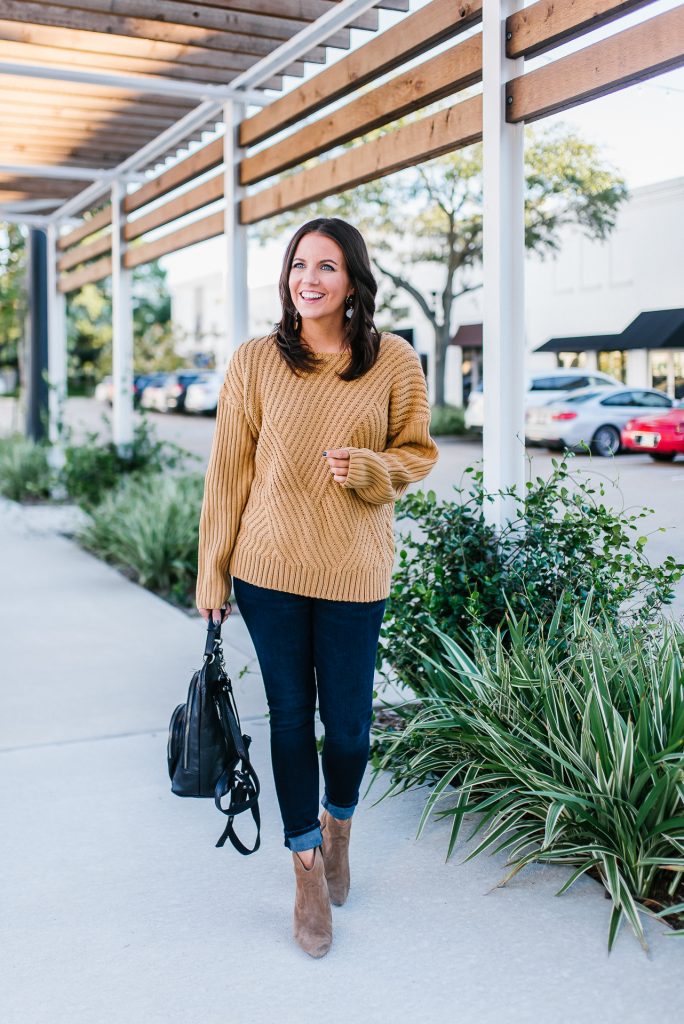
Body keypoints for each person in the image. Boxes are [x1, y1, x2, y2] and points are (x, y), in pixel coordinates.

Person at [195, 216, 439, 958]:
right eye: (300, 263)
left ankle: (339, 824)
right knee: (292, 718)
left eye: (327, 266)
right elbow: (229, 469)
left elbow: (417, 452)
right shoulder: (256, 361)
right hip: (268, 570)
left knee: (354, 726)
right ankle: (305, 865)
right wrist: (212, 567)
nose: (309, 277)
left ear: (353, 279)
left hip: (354, 569)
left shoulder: (393, 360)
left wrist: (372, 471)